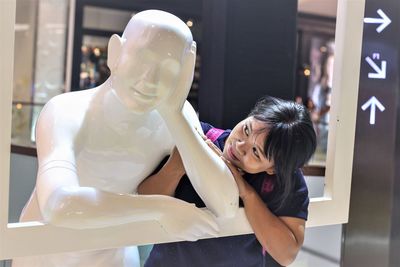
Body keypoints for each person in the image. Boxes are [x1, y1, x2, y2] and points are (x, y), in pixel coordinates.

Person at [12, 10, 239, 267]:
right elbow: (59, 204)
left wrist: (174, 115)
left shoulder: (174, 114)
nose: (149, 80)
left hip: (114, 252)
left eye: (169, 69)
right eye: (142, 58)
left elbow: (226, 204)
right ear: (115, 52)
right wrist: (161, 209)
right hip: (46, 252)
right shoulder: (66, 111)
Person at [139, 96, 317, 267]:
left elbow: (286, 254)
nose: (240, 146)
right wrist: (177, 165)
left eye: (256, 152)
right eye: (246, 130)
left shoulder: (285, 182)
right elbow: (143, 202)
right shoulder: (199, 135)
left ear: (274, 168)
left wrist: (246, 192)